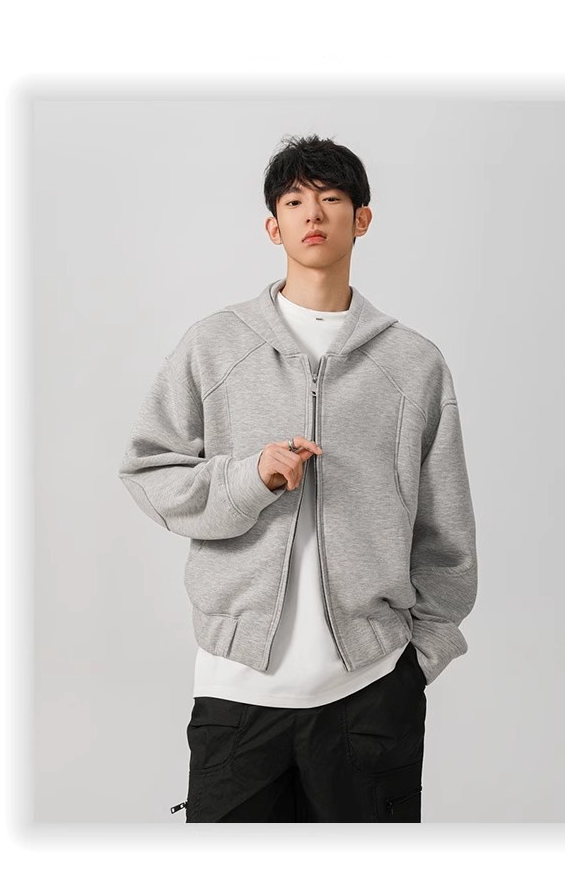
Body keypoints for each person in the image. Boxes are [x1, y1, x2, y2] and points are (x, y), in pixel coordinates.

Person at [118, 133, 478, 822]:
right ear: (272, 226)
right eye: (294, 202)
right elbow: (148, 469)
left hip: (371, 691)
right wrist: (248, 479)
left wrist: (419, 661)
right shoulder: (215, 345)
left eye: (332, 199)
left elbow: (446, 528)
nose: (313, 214)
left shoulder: (414, 365)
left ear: (361, 218)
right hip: (236, 690)